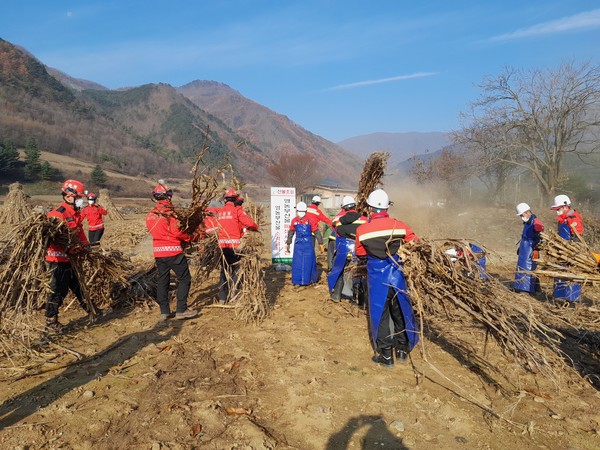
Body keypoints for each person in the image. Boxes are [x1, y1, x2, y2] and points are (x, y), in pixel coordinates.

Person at [355, 189, 419, 367]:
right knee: (400, 312)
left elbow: (360, 253)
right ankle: (402, 351)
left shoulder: (362, 230)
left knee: (380, 315)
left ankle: (386, 356)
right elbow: (414, 242)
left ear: (370, 207)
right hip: (397, 275)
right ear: (386, 208)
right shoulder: (399, 225)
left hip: (377, 278)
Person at [45, 179, 100, 332]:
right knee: (58, 290)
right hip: (58, 259)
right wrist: (71, 248)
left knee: (78, 286)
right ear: (69, 196)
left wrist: (86, 247)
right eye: (79, 198)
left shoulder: (74, 214)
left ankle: (92, 311)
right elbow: (56, 239)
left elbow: (80, 232)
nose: (81, 201)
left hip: (71, 258)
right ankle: (51, 321)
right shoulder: (57, 215)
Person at [146, 182, 197, 321]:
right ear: (168, 197)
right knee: (185, 279)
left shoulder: (150, 215)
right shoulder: (170, 213)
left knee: (163, 280)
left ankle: (164, 312)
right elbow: (177, 232)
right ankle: (181, 310)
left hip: (159, 253)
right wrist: (190, 237)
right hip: (173, 252)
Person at [217, 188, 259, 303]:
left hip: (222, 247)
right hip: (235, 247)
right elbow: (250, 223)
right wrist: (256, 227)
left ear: (225, 200)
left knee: (224, 271)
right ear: (235, 199)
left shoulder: (220, 212)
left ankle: (222, 297)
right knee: (237, 270)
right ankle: (234, 296)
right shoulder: (237, 211)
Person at [328, 196, 367, 302]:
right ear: (355, 206)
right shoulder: (364, 220)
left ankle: (336, 295)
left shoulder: (340, 221)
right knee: (358, 271)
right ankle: (358, 299)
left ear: (344, 208)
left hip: (343, 248)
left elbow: (337, 233)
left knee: (338, 270)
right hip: (359, 249)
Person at [551, 194, 584, 303]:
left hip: (570, 253)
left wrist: (571, 248)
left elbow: (578, 235)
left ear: (565, 207)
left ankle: (570, 299)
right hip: (561, 252)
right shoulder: (562, 219)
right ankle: (559, 297)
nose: (557, 211)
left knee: (570, 274)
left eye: (558, 209)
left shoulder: (572, 217)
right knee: (560, 273)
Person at [514, 202, 544, 294]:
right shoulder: (528, 222)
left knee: (529, 268)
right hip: (524, 249)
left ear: (527, 212)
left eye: (521, 214)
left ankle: (526, 289)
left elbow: (541, 235)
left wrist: (537, 246)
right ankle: (522, 287)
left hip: (531, 249)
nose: (521, 217)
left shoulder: (536, 222)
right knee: (522, 267)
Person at [286, 201, 319, 285]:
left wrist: (321, 243)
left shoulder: (310, 220)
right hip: (298, 245)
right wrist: (288, 243)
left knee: (309, 261)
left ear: (305, 212)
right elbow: (291, 232)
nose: (301, 213)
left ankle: (310, 280)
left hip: (308, 244)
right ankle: (297, 281)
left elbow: (316, 231)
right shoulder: (294, 220)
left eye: (302, 212)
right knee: (297, 262)